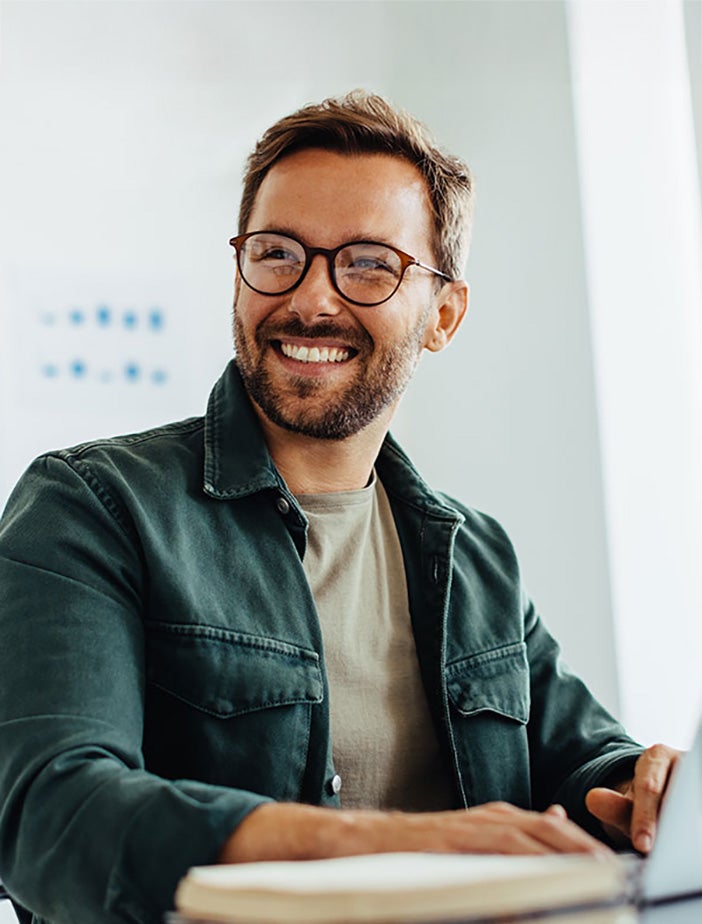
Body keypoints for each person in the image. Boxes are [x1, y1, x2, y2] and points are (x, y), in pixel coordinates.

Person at [0, 91, 680, 924]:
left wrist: (649, 787)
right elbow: (48, 814)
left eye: (367, 264)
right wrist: (389, 844)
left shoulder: (475, 553)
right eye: (277, 253)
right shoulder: (91, 507)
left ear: (443, 315)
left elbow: (582, 763)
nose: (312, 299)